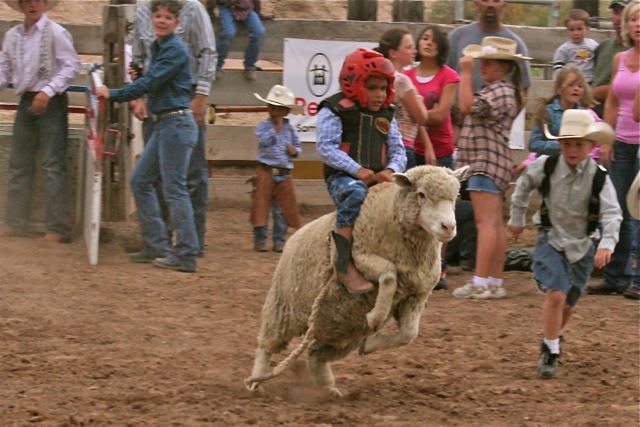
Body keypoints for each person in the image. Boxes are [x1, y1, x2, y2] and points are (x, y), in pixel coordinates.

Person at [508, 109, 621, 379]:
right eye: (567, 143)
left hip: (584, 244)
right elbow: (523, 185)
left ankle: (552, 337)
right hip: (551, 237)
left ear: (591, 146)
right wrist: (516, 216)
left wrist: (607, 242)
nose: (572, 149)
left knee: (568, 303)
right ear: (559, 144)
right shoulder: (546, 165)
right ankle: (551, 350)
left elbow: (612, 213)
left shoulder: (599, 177)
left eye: (578, 144)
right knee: (557, 294)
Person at [97, 0, 199, 273]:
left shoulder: (173, 49)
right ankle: (159, 245)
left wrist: (114, 93)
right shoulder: (163, 48)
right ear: (152, 18)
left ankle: (186, 252)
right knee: (142, 181)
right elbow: (152, 80)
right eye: (158, 16)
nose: (162, 21)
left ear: (177, 23)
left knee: (173, 189)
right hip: (169, 122)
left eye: (167, 17)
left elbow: (151, 83)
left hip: (174, 123)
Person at [316, 48, 407, 294]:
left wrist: (391, 169)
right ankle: (342, 265)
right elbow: (325, 148)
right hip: (343, 178)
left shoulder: (387, 114)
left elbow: (399, 150)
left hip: (380, 179)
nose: (379, 94)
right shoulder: (335, 109)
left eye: (383, 88)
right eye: (372, 87)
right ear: (354, 84)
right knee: (355, 194)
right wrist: (356, 170)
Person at [132, 0, 216, 258]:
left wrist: (200, 95)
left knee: (191, 173)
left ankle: (192, 241)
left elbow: (207, 53)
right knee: (155, 174)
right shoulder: (143, 10)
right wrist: (140, 97)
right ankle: (160, 241)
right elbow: (137, 58)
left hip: (184, 94)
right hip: (156, 95)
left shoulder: (193, 8)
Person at [451, 36, 529, 300]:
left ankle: (481, 281)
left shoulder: (497, 90)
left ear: (504, 67)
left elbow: (465, 106)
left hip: (484, 162)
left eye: (489, 62)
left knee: (485, 224)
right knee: (494, 224)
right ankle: (494, 281)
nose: (482, 66)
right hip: (495, 162)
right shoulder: (507, 91)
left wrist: (465, 73)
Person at [0, 0, 80, 243]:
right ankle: (16, 223)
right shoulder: (13, 35)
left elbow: (71, 65)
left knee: (52, 164)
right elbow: (4, 67)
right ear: (21, 6)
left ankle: (57, 227)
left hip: (51, 101)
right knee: (18, 163)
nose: (32, 4)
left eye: (37, 0)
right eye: (27, 1)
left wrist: (48, 90)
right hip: (27, 99)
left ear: (44, 4)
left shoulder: (56, 32)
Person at [588, 0, 640, 299]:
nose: (637, 24)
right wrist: (606, 139)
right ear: (626, 25)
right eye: (633, 19)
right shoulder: (620, 59)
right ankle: (616, 275)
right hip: (620, 143)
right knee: (616, 208)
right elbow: (613, 102)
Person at [251, 85, 303, 253]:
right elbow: (263, 140)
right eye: (272, 107)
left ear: (286, 111)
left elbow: (298, 147)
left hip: (283, 172)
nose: (274, 110)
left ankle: (279, 240)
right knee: (260, 206)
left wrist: (294, 151)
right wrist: (276, 130)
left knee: (282, 210)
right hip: (265, 170)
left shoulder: (290, 130)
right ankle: (260, 240)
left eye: (279, 108)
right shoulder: (263, 126)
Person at [447, 0, 531, 93]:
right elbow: (442, 76)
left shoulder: (514, 44)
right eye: (485, 0)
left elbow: (523, 88)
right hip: (457, 106)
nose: (490, 4)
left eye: (496, 1)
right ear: (476, 3)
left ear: (504, 5)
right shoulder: (457, 37)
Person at [405, 24, 459, 169]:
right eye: (425, 38)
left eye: (434, 41)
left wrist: (412, 114)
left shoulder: (449, 76)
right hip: (411, 148)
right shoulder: (405, 77)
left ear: (441, 47)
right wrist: (423, 113)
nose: (429, 43)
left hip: (441, 151)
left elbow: (440, 115)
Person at [374, 28, 428, 169]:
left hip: (381, 146)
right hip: (403, 146)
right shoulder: (402, 80)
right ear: (393, 53)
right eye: (409, 47)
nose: (414, 51)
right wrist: (419, 100)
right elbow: (422, 117)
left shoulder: (380, 76)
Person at [528, 66, 601, 159]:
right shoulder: (547, 111)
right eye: (571, 85)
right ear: (559, 89)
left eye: (580, 86)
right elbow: (533, 144)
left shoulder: (585, 114)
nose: (576, 89)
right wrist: (561, 145)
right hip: (549, 164)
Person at [592, 0, 631, 118]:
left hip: (621, 117)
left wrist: (594, 92)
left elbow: (629, 87)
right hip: (593, 115)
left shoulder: (633, 52)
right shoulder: (603, 47)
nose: (618, 18)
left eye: (623, 13)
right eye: (615, 12)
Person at [214, 0, 265, 81]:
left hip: (246, 6)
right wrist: (209, 12)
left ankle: (250, 66)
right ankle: (216, 65)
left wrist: (258, 13)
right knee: (228, 33)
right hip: (227, 7)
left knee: (259, 32)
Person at [552, 9, 599, 83]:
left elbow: (598, 61)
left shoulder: (593, 45)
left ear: (587, 29)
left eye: (580, 29)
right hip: (571, 83)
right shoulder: (564, 49)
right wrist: (564, 80)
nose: (576, 33)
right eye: (572, 30)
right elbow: (558, 67)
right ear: (567, 30)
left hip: (590, 81)